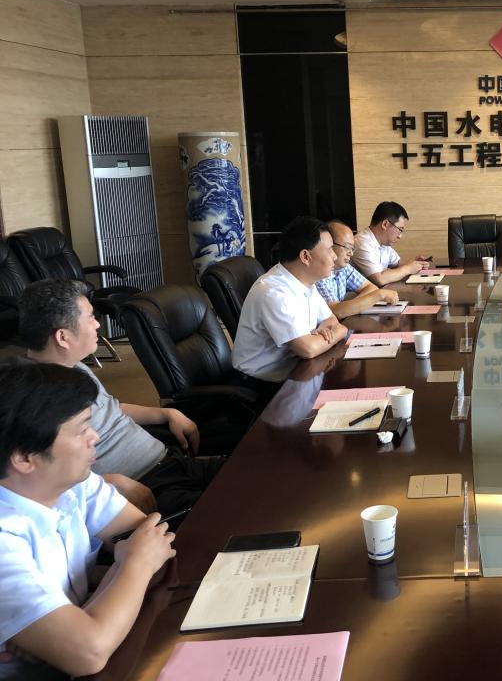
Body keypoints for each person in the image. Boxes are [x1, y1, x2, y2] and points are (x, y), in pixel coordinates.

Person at [0, 362, 176, 680]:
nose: (95, 436)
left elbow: (151, 539)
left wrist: (78, 616)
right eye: (82, 430)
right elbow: (89, 654)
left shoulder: (71, 482)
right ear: (25, 458)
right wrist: (134, 563)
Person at [17, 279, 223, 517]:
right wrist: (107, 484)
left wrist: (166, 413)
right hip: (143, 485)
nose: (97, 324)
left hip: (169, 461)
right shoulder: (32, 398)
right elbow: (34, 478)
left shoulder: (73, 366)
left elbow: (111, 408)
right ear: (63, 337)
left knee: (251, 473)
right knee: (231, 514)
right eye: (90, 318)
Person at [233, 216, 351, 385]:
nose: (334, 256)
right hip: (260, 385)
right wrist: (337, 332)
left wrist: (326, 333)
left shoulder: (306, 282)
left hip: (295, 372)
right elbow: (308, 349)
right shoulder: (273, 291)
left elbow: (332, 320)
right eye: (330, 249)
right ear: (305, 256)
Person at [317, 221, 400, 319]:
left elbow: (371, 287)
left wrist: (351, 307)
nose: (351, 253)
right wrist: (379, 295)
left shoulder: (343, 267)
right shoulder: (320, 272)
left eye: (352, 248)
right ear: (330, 245)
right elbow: (335, 312)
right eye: (347, 247)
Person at [351, 201, 430, 286]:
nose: (400, 236)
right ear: (385, 224)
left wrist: (416, 263)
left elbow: (399, 264)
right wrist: (408, 268)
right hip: (359, 293)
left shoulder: (384, 243)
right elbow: (379, 279)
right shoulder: (363, 243)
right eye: (400, 229)